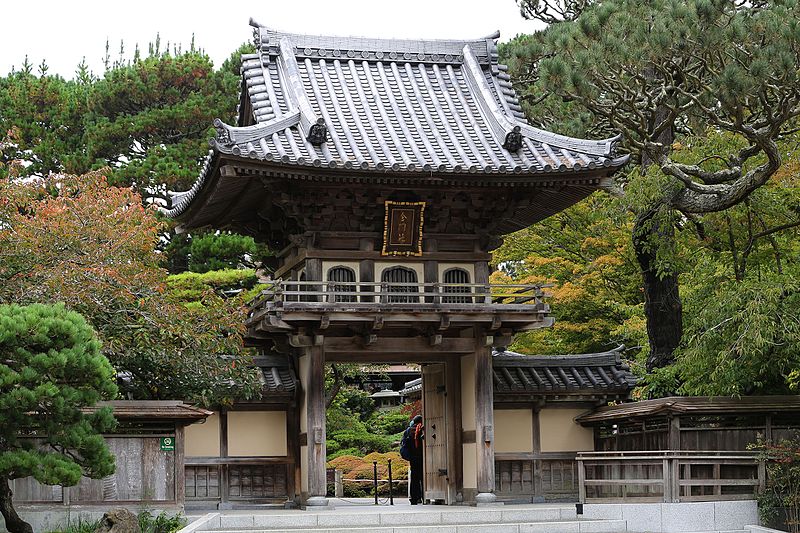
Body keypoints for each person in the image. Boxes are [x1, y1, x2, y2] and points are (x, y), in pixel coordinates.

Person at [403, 415, 424, 505]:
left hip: (413, 457)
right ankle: (424, 496)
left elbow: (404, 444)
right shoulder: (423, 429)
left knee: (414, 478)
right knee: (423, 478)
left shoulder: (408, 431)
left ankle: (415, 498)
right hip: (423, 457)